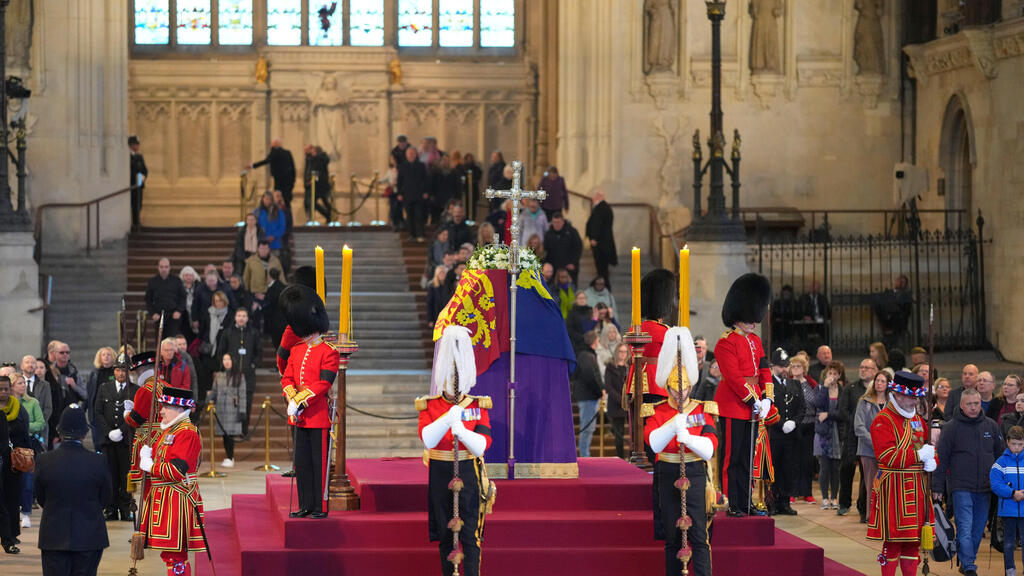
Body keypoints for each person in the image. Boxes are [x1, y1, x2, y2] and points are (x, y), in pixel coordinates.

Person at [416, 326, 492, 576]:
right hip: (440, 474)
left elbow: (482, 444)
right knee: (445, 538)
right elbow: (427, 439)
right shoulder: (430, 405)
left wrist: (463, 432)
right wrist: (447, 420)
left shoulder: (477, 404)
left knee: (470, 537)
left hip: (468, 474)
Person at [645, 326, 716, 576]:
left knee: (699, 536)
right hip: (667, 470)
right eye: (676, 389)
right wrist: (672, 426)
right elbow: (653, 443)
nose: (682, 393)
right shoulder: (656, 411)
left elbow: (709, 447)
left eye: (685, 388)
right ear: (667, 387)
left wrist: (690, 439)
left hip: (694, 472)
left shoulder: (702, 408)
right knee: (673, 539)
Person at [130, 386, 207, 576]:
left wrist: (150, 466)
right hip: (165, 498)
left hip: (176, 500)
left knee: (176, 556)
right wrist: (148, 455)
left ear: (180, 409)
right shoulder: (170, 429)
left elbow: (176, 470)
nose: (161, 411)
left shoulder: (186, 433)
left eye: (166, 406)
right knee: (170, 555)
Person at [713, 273, 773, 517]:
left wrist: (768, 398)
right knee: (732, 458)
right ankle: (732, 502)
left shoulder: (756, 341)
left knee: (749, 459)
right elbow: (735, 378)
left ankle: (746, 502)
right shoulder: (725, 343)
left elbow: (765, 369)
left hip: (754, 405)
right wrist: (755, 400)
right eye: (750, 318)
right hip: (733, 405)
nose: (754, 323)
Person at [867, 371, 935, 576]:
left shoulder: (919, 420)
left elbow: (927, 448)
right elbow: (886, 456)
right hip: (894, 489)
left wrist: (933, 460)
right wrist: (919, 455)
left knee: (913, 543)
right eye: (911, 396)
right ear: (897, 394)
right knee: (894, 542)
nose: (915, 401)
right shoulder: (883, 420)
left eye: (917, 397)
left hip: (917, 487)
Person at [280, 284, 338, 519]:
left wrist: (301, 400)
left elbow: (323, 384)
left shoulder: (329, 351)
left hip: (317, 417)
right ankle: (305, 504)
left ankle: (319, 507)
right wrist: (291, 397)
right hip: (298, 417)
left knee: (318, 464)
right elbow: (287, 377)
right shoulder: (296, 350)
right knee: (302, 464)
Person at [933, 387, 1005, 576]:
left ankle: (966, 560)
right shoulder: (950, 427)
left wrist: (1005, 483)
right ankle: (969, 566)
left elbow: (1001, 456)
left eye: (977, 404)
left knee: (977, 530)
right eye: (969, 404)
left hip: (985, 488)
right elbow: (942, 460)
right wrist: (938, 487)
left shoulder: (991, 426)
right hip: (961, 487)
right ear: (962, 406)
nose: (974, 407)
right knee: (964, 528)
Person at [34, 405, 110, 575]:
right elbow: (105, 498)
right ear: (84, 434)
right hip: (89, 535)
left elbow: (41, 498)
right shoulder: (98, 461)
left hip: (53, 534)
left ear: (60, 432)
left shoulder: (44, 460)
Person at [93, 355, 138, 522]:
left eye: (124, 370)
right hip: (108, 441)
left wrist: (122, 430)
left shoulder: (134, 390)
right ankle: (110, 508)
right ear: (114, 371)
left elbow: (136, 414)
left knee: (126, 475)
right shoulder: (105, 388)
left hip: (126, 440)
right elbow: (97, 412)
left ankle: (126, 508)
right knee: (109, 475)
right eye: (118, 370)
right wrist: (108, 432)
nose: (121, 373)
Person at [836, 358, 876, 519]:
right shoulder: (851, 388)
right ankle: (844, 503)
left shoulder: (877, 390)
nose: (863, 370)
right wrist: (857, 420)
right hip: (852, 435)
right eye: (861, 367)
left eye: (867, 368)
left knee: (867, 473)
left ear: (874, 370)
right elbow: (842, 410)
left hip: (870, 437)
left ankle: (863, 506)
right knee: (846, 468)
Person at [767, 348, 802, 515]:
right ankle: (771, 502)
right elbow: (767, 408)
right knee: (773, 469)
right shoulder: (768, 386)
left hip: (791, 436)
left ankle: (785, 502)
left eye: (786, 366)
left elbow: (802, 407)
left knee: (789, 468)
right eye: (781, 366)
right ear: (773, 366)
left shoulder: (794, 384)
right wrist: (781, 423)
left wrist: (794, 422)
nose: (784, 370)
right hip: (774, 434)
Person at [216, 307, 260, 436]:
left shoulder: (253, 333)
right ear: (235, 317)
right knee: (231, 404)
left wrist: (253, 365)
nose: (241, 318)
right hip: (231, 375)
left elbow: (259, 352)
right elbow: (221, 351)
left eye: (244, 316)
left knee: (246, 403)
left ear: (247, 318)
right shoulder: (227, 333)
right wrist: (225, 366)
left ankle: (244, 430)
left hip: (248, 375)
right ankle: (231, 431)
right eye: (239, 315)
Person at [0, 374, 30, 554]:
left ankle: (10, 534)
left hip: (12, 460)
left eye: (6, 389)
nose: (3, 392)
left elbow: (25, 433)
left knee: (11, 498)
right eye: (0, 389)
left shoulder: (18, 408)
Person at [11, 373, 44, 529]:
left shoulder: (32, 403)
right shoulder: (6, 403)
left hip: (26, 444)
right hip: (8, 444)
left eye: (23, 382)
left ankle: (25, 512)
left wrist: (23, 426)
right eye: (19, 383)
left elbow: (40, 423)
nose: (23, 385)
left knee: (27, 481)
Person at [991, 425, 1024, 576]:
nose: (1016, 448)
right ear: (1007, 442)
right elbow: (996, 484)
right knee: (1009, 542)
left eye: (1020, 444)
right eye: (1013, 444)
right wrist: (1012, 493)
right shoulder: (1000, 463)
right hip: (1008, 510)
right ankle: (1010, 570)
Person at [855, 371, 888, 515]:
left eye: (883, 381)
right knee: (870, 485)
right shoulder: (865, 401)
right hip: (868, 450)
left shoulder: (892, 403)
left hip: (888, 450)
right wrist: (875, 443)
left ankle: (885, 515)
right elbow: (859, 427)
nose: (879, 384)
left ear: (888, 384)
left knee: (886, 486)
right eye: (877, 380)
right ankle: (871, 516)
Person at [813, 361, 844, 509]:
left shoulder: (843, 390)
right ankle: (825, 498)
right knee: (824, 467)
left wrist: (829, 414)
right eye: (829, 373)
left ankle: (834, 498)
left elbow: (843, 412)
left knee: (836, 468)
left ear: (839, 375)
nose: (832, 376)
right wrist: (825, 387)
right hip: (823, 433)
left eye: (835, 373)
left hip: (837, 432)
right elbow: (817, 404)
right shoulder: (820, 389)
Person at [789, 355, 818, 501]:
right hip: (794, 425)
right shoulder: (788, 383)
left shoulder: (811, 384)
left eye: (798, 366)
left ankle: (807, 492)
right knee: (794, 460)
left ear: (804, 368)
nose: (795, 369)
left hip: (809, 424)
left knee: (807, 461)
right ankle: (793, 492)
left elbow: (817, 401)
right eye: (793, 366)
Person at [209, 354, 245, 468]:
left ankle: (230, 456)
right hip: (221, 408)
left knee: (230, 434)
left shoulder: (239, 376)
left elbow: (242, 394)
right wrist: (206, 401)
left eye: (228, 359)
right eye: (224, 359)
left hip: (233, 409)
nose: (226, 362)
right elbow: (214, 392)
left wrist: (242, 410)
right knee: (224, 434)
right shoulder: (219, 375)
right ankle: (228, 456)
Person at [572, 331, 603, 458]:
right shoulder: (586, 356)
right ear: (594, 341)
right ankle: (585, 455)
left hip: (589, 396)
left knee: (589, 428)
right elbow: (590, 376)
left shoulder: (587, 355)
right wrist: (600, 390)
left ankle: (585, 454)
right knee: (587, 428)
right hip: (587, 396)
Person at [145, 258, 187, 342]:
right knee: (160, 341)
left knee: (173, 341)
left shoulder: (176, 281)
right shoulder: (153, 282)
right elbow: (148, 300)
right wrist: (153, 313)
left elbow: (183, 297)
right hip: (159, 316)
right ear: (158, 268)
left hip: (173, 316)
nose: (164, 269)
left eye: (166, 267)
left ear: (169, 268)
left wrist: (178, 310)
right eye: (161, 267)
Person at [247, 139, 297, 206]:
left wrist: (252, 165)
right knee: (286, 200)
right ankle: (287, 215)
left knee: (277, 199)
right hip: (288, 181)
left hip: (279, 180)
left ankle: (278, 214)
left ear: (275, 144)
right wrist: (293, 181)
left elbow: (265, 161)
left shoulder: (274, 152)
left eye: (271, 144)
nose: (270, 146)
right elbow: (293, 168)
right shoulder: (288, 153)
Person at [585, 189, 618, 287]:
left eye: (594, 197)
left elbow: (597, 224)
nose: (592, 199)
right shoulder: (604, 207)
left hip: (601, 244)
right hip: (603, 243)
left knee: (602, 268)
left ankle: (604, 288)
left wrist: (594, 238)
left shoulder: (601, 208)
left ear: (598, 197)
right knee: (602, 269)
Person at [603, 342, 630, 460]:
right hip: (616, 404)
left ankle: (632, 457)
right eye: (621, 351)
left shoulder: (629, 367)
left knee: (633, 435)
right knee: (619, 435)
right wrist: (621, 400)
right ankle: (620, 458)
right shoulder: (610, 367)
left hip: (629, 404)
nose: (623, 354)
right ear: (616, 352)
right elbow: (608, 387)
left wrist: (628, 400)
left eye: (625, 352)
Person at [86, 347, 117, 449]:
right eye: (103, 355)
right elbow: (89, 393)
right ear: (99, 357)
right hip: (97, 413)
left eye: (108, 354)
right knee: (97, 442)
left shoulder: (116, 372)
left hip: (112, 413)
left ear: (113, 357)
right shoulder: (94, 373)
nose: (106, 357)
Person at [398, 146, 429, 241]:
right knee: (409, 216)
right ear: (406, 155)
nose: (411, 155)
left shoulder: (421, 165)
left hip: (418, 194)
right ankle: (412, 235)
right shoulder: (402, 166)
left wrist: (426, 192)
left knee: (419, 215)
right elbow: (400, 181)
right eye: (409, 153)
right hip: (407, 195)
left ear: (416, 155)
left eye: (413, 153)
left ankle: (420, 234)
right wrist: (399, 193)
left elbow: (426, 180)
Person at [543, 212, 583, 286]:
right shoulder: (548, 234)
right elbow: (546, 250)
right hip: (554, 268)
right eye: (554, 222)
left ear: (563, 221)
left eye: (558, 222)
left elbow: (578, 248)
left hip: (569, 266)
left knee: (570, 288)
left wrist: (574, 262)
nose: (556, 224)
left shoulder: (572, 232)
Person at [129, 135, 148, 232]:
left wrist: (141, 179)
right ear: (131, 145)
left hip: (138, 185)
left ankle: (137, 221)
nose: (138, 146)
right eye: (136, 144)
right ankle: (134, 223)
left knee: (138, 203)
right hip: (131, 186)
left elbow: (144, 170)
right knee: (132, 204)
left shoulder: (139, 157)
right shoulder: (128, 157)